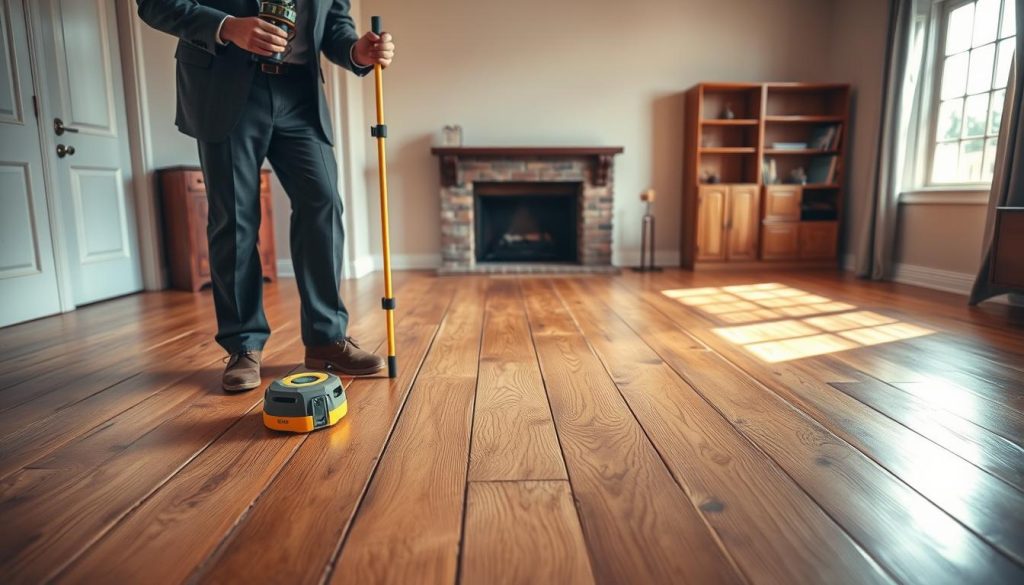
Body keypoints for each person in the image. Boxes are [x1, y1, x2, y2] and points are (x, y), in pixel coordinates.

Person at [137, 1, 395, 391]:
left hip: (301, 93)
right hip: (224, 86)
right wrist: (227, 26)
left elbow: (334, 23)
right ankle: (243, 344)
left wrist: (356, 51)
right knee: (235, 216)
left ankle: (326, 339)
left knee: (323, 202)